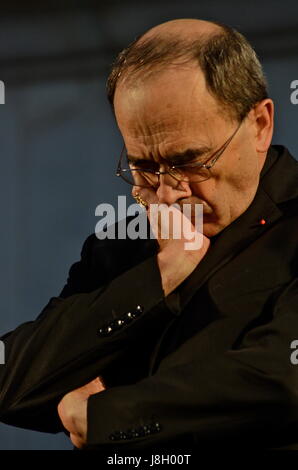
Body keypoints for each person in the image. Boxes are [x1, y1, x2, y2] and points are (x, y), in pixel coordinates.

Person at [0, 18, 297, 453]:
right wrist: (160, 276)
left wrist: (106, 417)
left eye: (191, 160)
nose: (169, 192)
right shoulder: (123, 246)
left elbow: (283, 379)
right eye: (144, 166)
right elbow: (12, 383)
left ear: (260, 124)